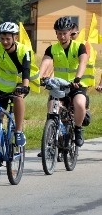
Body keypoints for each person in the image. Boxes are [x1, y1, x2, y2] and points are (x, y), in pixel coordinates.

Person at [38, 16, 89, 147]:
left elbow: (83, 62)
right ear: (56, 33)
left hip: (76, 84)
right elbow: (46, 62)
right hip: (59, 86)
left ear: (70, 32)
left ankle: (78, 129)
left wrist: (78, 77)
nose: (62, 37)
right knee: (52, 108)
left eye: (64, 33)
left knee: (79, 104)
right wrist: (41, 76)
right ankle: (48, 143)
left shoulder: (79, 47)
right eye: (59, 33)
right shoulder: (52, 49)